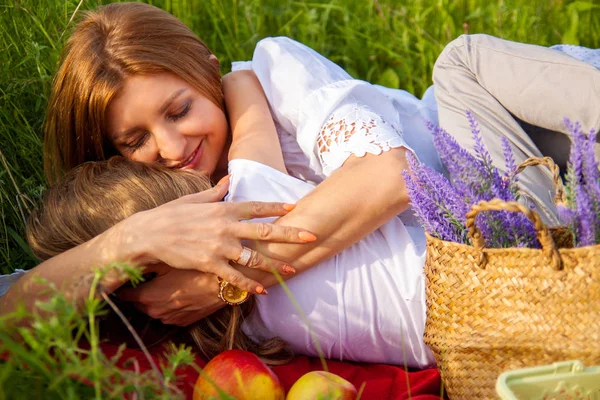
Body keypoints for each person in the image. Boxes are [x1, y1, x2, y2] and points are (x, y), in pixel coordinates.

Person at [1, 1, 599, 329]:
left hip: (512, 121)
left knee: (460, 58)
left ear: (210, 72)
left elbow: (391, 176)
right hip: (513, 214)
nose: (171, 144)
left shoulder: (274, 73)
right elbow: (13, 303)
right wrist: (126, 240)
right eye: (135, 141)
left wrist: (220, 283)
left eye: (180, 109)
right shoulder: (180, 213)